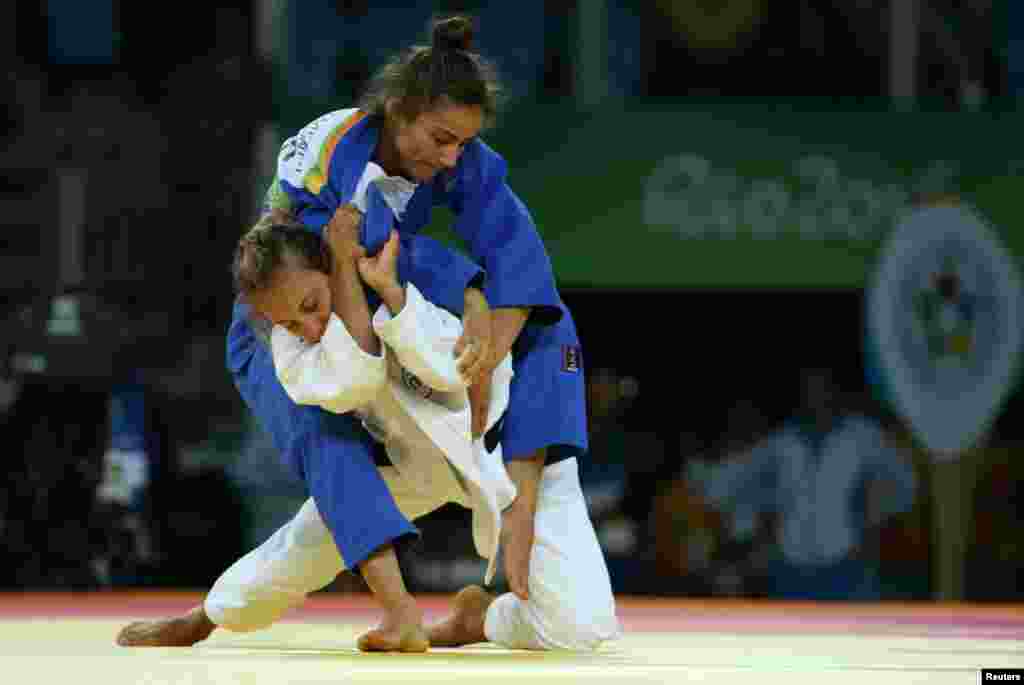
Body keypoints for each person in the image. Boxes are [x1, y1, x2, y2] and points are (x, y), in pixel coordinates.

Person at [118, 15, 618, 651]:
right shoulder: (329, 171)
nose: (449, 158)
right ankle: (237, 613)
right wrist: (459, 291)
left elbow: (518, 256)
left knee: (582, 628)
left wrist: (489, 342)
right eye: (439, 138)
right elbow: (361, 276)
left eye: (461, 144)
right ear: (398, 111)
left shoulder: (454, 168)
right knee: (329, 464)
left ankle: (477, 618)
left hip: (471, 436)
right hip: (334, 328)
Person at [699, 366, 918, 600]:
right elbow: (733, 477)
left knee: (854, 635)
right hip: (789, 571)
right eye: (809, 388)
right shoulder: (782, 442)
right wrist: (701, 478)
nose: (815, 395)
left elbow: (904, 481)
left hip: (848, 568)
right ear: (802, 394)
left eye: (821, 387)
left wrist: (876, 515)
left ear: (834, 391)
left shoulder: (862, 436)